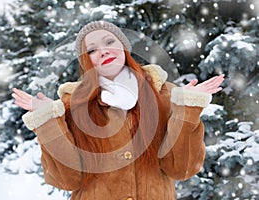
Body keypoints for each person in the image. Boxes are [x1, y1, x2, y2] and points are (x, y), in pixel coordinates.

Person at [12, 21, 224, 200]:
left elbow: (181, 169)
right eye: (92, 50)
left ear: (123, 47)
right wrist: (48, 120)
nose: (103, 51)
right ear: (86, 61)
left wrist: (187, 108)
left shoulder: (165, 94)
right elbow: (68, 179)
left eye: (109, 42)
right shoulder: (72, 105)